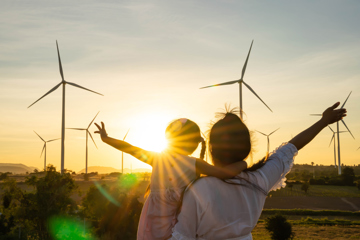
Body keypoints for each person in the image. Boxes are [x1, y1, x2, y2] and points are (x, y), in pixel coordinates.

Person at [170, 102, 347, 240]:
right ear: (246, 148)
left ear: (211, 149)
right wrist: (324, 121)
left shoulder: (199, 189)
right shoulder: (260, 179)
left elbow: (182, 236)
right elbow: (291, 147)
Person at [94, 118, 248, 240]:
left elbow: (129, 148)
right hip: (179, 219)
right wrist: (243, 163)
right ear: (194, 143)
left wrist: (106, 138)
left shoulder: (157, 158)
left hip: (152, 217)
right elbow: (223, 173)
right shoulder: (195, 164)